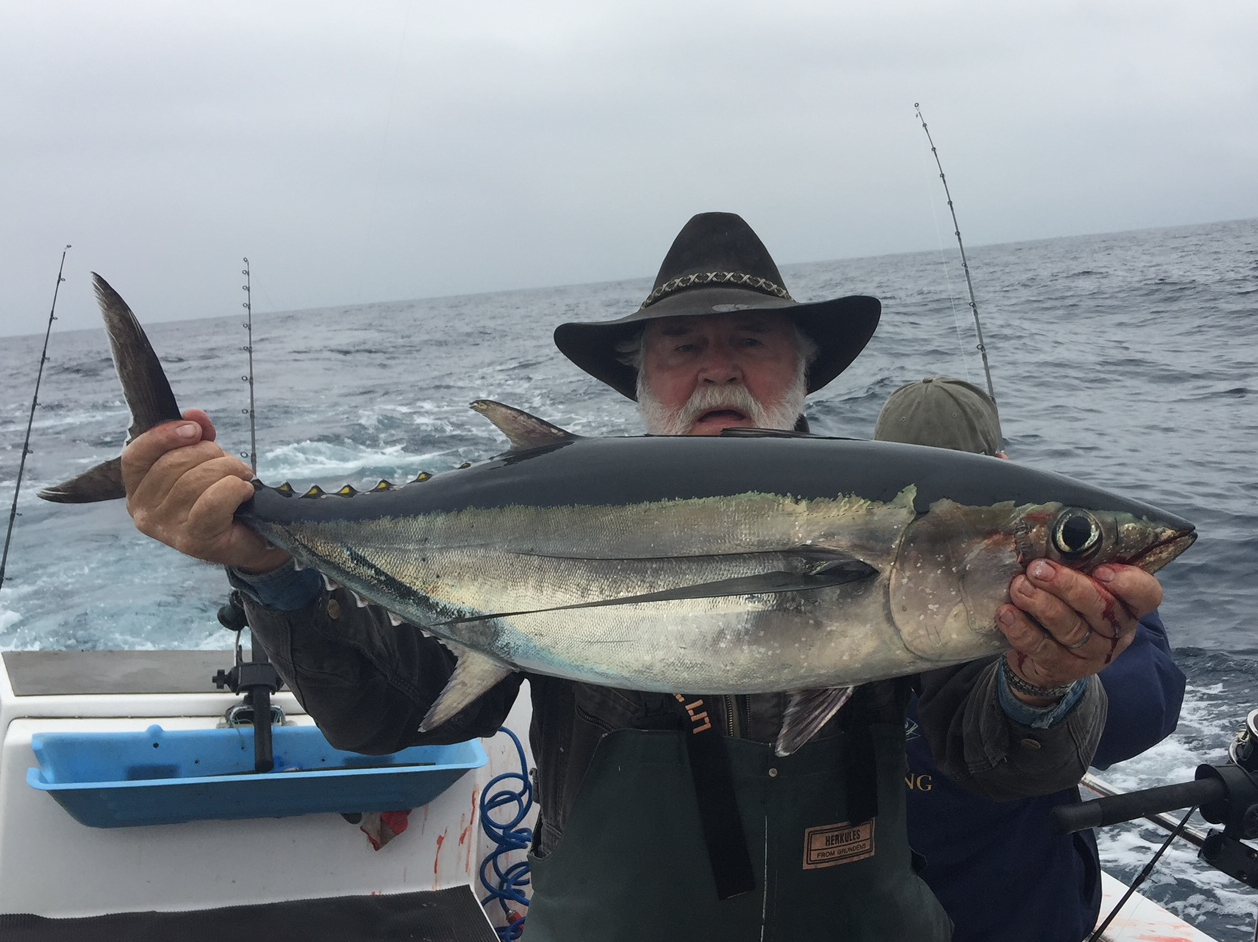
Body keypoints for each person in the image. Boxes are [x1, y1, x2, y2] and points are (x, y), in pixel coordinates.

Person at [120, 212, 1168, 941]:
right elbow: (380, 718)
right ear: (638, 380)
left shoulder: (910, 530)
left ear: (801, 372)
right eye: (681, 347)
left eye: (750, 341)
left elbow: (1002, 767)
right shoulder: (544, 503)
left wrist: (1041, 685)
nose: (717, 367)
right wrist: (272, 565)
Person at [876, 377, 1186, 942]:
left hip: (1004, 902)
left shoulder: (1076, 586)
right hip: (940, 904)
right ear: (1000, 461)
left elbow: (1141, 708)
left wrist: (1058, 668)